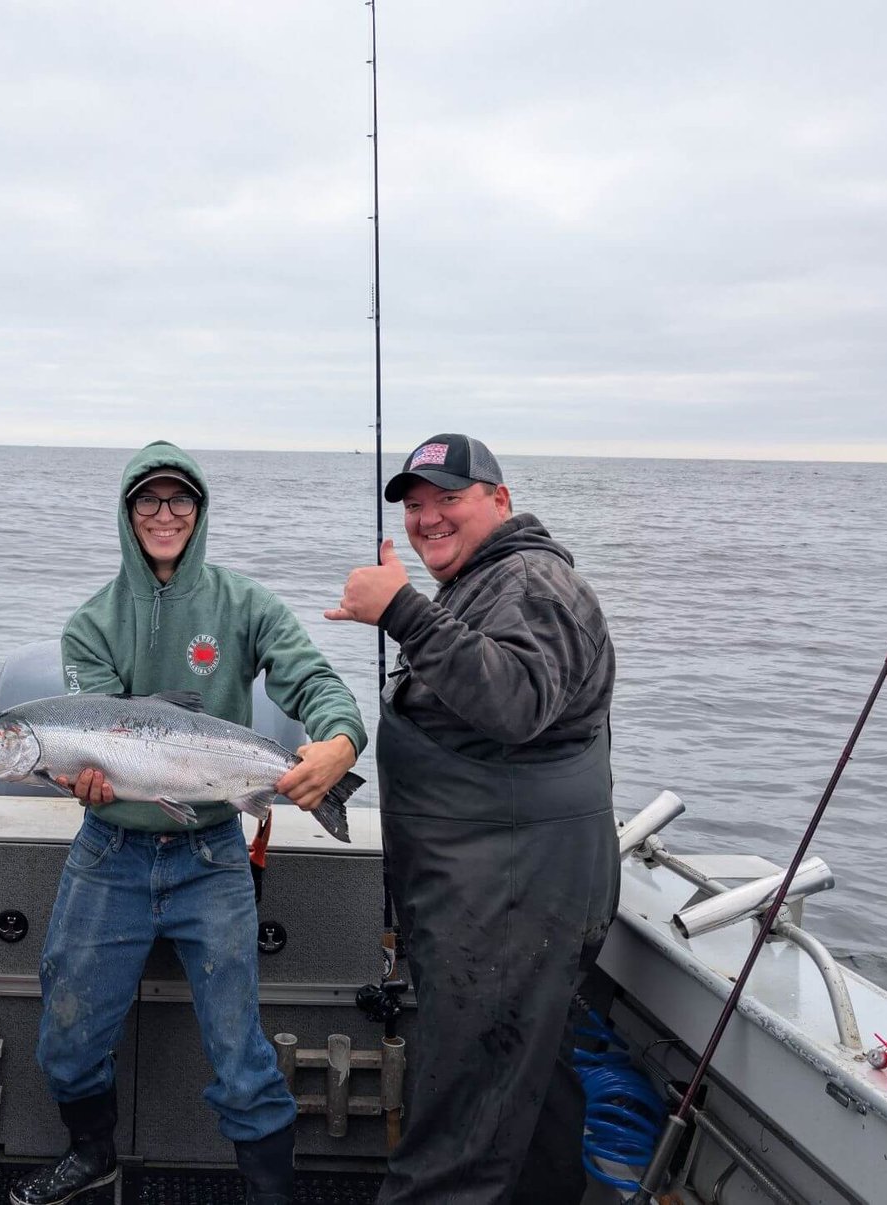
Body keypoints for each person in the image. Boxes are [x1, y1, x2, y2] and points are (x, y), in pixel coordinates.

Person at [10, 441, 368, 1205]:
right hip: (111, 853)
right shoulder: (92, 624)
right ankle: (94, 1155)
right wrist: (93, 783)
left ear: (200, 512)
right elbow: (97, 732)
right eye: (149, 500)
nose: (164, 514)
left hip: (212, 855)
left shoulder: (246, 604)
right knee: (66, 1038)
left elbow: (314, 678)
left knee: (240, 1051)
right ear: (127, 512)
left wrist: (338, 738)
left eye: (180, 501)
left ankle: (269, 1192)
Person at [326, 433, 619, 1204]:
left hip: (512, 899)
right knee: (527, 1093)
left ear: (501, 499)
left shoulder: (531, 581)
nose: (428, 519)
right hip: (502, 892)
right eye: (415, 505)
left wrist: (402, 612)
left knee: (460, 1124)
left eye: (448, 498)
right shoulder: (487, 583)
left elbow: (516, 699)